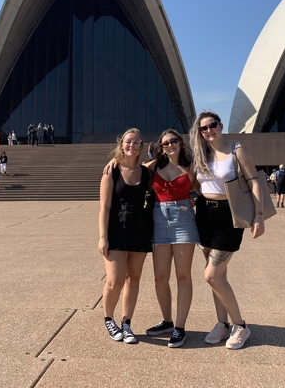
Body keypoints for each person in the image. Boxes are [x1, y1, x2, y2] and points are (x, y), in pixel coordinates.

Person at [190, 111, 265, 350]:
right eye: (204, 128)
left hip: (229, 215)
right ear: (200, 132)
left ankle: (240, 325)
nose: (209, 130)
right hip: (204, 215)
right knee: (218, 277)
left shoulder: (236, 149)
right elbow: (193, 181)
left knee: (211, 275)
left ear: (220, 126)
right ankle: (222, 323)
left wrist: (259, 215)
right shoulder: (201, 154)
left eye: (213, 125)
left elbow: (253, 180)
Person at [144, 130, 198, 348]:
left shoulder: (191, 167)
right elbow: (128, 168)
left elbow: (205, 190)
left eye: (173, 141)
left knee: (183, 276)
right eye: (165, 143)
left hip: (183, 220)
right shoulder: (153, 165)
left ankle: (180, 327)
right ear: (161, 146)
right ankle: (167, 321)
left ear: (180, 143)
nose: (169, 145)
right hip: (158, 221)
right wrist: (112, 160)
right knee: (160, 277)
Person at [98, 128, 152, 344]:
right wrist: (103, 237)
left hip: (140, 228)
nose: (132, 145)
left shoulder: (147, 172)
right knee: (115, 280)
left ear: (141, 146)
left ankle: (127, 323)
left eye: (136, 142)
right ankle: (109, 319)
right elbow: (104, 206)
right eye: (128, 142)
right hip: (116, 228)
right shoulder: (112, 171)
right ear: (122, 144)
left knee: (134, 278)